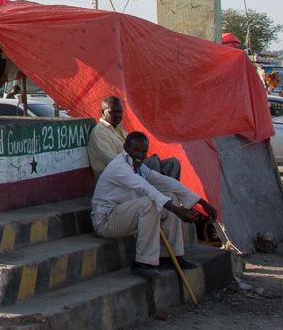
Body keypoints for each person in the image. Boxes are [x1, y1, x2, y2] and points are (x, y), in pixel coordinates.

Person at [92, 131, 218, 280]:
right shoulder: (119, 167)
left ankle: (170, 256)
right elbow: (147, 188)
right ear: (125, 148)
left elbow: (165, 181)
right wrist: (178, 211)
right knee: (151, 202)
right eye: (136, 150)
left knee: (171, 194)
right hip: (107, 222)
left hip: (124, 217)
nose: (140, 155)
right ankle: (143, 263)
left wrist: (201, 202)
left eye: (143, 151)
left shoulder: (139, 166)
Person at [87, 96, 182, 179]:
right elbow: (112, 161)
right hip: (117, 176)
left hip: (133, 167)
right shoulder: (99, 131)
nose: (117, 115)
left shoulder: (120, 129)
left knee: (173, 163)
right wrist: (142, 160)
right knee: (152, 163)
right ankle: (155, 196)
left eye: (120, 112)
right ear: (102, 112)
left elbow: (135, 152)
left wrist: (144, 158)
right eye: (113, 112)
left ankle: (169, 195)